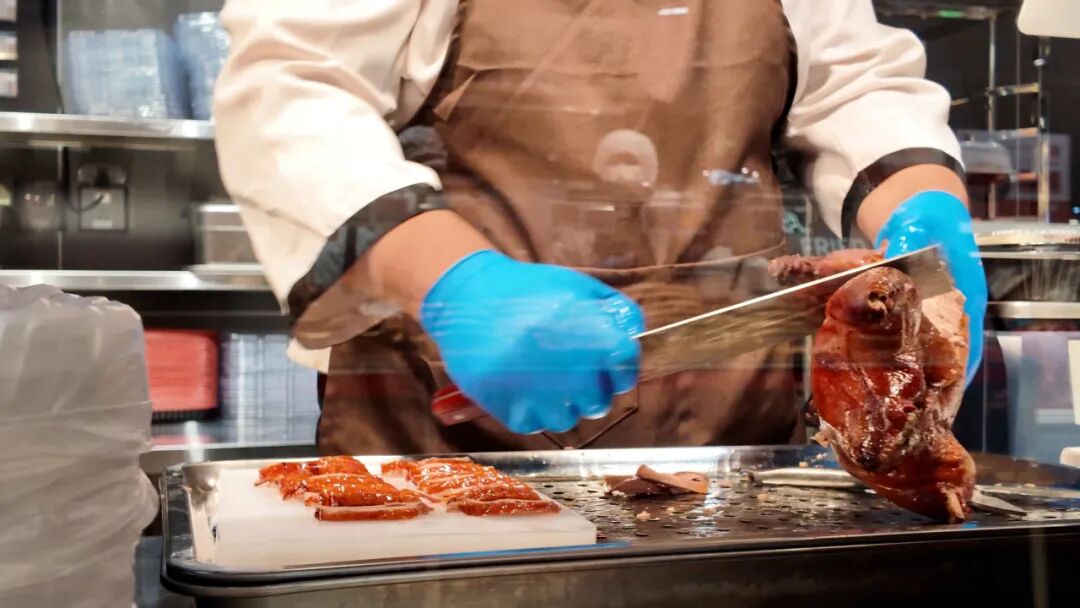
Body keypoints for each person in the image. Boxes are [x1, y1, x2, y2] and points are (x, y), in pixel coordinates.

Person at [213, 0, 987, 455]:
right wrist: (455, 284)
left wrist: (923, 211)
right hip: (448, 433)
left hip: (736, 442)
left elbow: (855, 84)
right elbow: (292, 92)